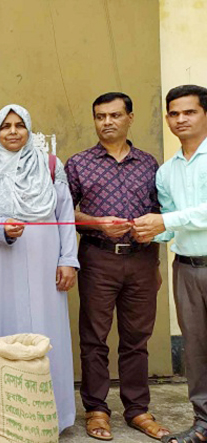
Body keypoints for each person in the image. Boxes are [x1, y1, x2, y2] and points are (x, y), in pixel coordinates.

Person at [0, 104, 79, 433]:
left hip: (46, 261)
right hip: (2, 259)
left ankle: (52, 417)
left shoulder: (49, 165)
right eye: (5, 126)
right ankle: (5, 418)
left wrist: (68, 259)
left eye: (19, 126)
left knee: (48, 332)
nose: (12, 132)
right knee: (4, 330)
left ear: (29, 130)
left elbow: (65, 215)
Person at [65, 92, 168, 440]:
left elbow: (160, 212)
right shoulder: (79, 163)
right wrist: (97, 223)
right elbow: (65, 214)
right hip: (98, 258)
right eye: (99, 116)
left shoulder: (149, 163)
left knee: (137, 339)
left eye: (114, 115)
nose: (107, 122)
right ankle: (96, 409)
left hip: (141, 259)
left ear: (130, 118)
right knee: (94, 338)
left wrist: (154, 261)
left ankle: (137, 409)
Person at [133, 85, 207, 443]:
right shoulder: (166, 171)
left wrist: (165, 222)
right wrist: (144, 231)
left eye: (189, 112)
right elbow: (167, 223)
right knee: (195, 349)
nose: (180, 119)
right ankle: (203, 424)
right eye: (174, 113)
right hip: (187, 268)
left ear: (205, 114)